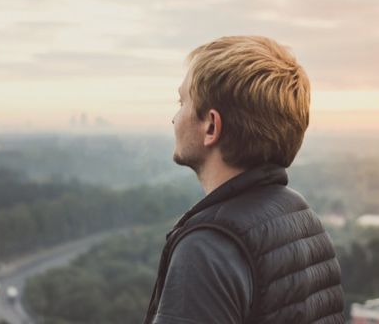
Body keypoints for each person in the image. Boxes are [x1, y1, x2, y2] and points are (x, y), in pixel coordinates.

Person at [143, 36, 344, 324]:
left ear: (211, 126)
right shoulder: (302, 219)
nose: (174, 118)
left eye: (182, 101)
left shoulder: (207, 247)